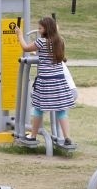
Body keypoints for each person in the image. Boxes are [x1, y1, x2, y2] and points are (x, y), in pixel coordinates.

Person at [14, 16, 75, 147]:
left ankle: (33, 135)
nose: (38, 29)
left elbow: (25, 47)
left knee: (38, 108)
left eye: (40, 28)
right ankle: (67, 137)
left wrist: (19, 34)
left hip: (46, 81)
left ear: (46, 29)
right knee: (61, 110)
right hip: (59, 80)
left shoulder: (41, 42)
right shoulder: (60, 41)